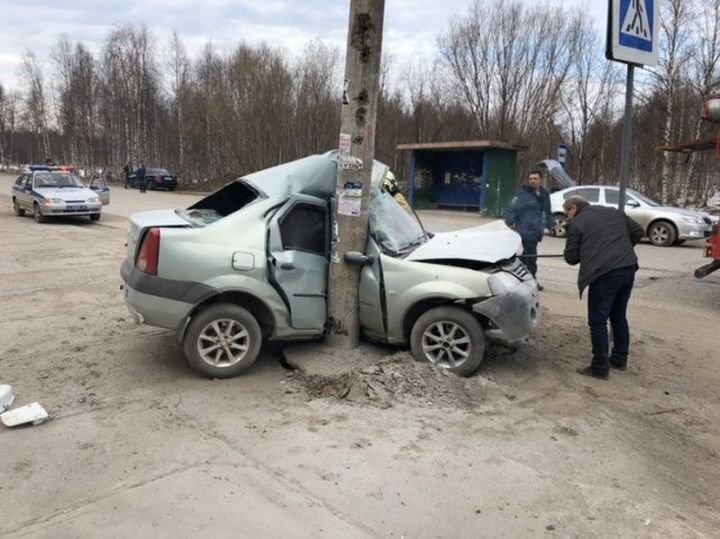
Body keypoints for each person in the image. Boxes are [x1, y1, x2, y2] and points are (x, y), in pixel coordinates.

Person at [562, 195, 644, 380]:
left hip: (604, 274)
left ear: (573, 208)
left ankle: (600, 367)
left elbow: (571, 258)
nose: (567, 217)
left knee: (598, 321)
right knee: (618, 315)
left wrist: (594, 250)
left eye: (567, 213)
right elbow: (639, 231)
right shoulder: (613, 212)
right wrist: (619, 249)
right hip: (628, 268)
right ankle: (619, 359)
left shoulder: (577, 223)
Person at [504, 169, 553, 290]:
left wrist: (550, 224)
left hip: (537, 230)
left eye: (535, 178)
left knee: (526, 255)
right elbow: (511, 209)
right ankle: (531, 281)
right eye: (530, 179)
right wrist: (509, 223)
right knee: (531, 256)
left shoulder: (544, 194)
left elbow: (547, 210)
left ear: (540, 180)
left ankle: (515, 275)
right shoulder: (522, 194)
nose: (532, 181)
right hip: (525, 229)